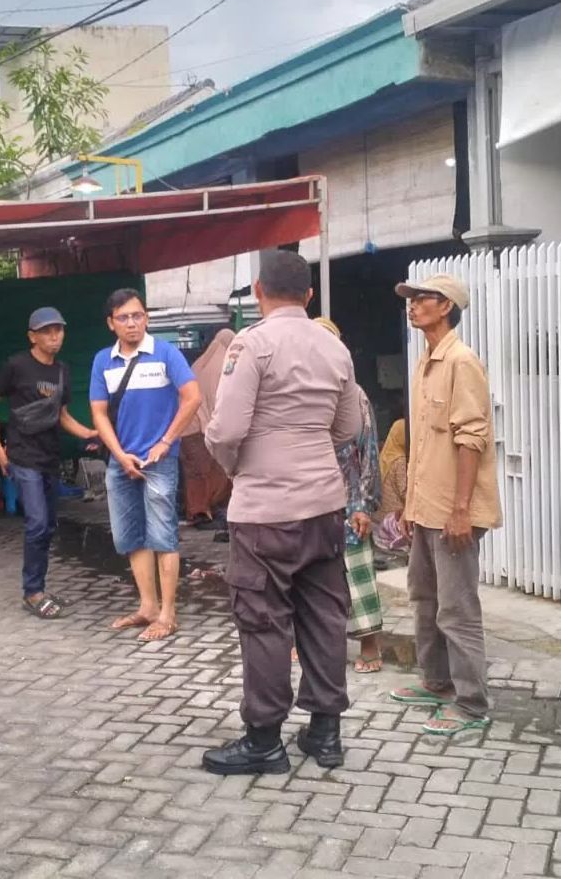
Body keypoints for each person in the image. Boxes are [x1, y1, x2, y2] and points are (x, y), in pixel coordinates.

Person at [201, 251, 363, 775]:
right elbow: (349, 428)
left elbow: (225, 431)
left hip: (265, 509)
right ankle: (325, 733)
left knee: (265, 620)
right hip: (324, 505)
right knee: (324, 616)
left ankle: (264, 741)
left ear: (257, 291)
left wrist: (237, 470)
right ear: (309, 295)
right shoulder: (334, 347)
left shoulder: (252, 344)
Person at [389, 274, 503, 736]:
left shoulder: (461, 362)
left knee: (457, 608)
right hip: (426, 507)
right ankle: (436, 683)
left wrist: (460, 509)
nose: (412, 306)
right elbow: (425, 445)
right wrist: (411, 507)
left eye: (421, 299)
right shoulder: (426, 364)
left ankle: (472, 703)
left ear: (446, 306)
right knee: (424, 597)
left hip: (453, 511)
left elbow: (471, 438)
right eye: (411, 300)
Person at [90, 289, 202, 643]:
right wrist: (119, 454)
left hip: (159, 461)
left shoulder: (166, 353)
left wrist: (166, 442)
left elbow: (192, 397)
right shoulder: (102, 361)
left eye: (138, 315)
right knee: (131, 536)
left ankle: (168, 614)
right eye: (123, 318)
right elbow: (98, 412)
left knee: (163, 535)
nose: (132, 323)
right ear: (111, 324)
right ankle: (147, 607)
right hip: (121, 462)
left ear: (147, 318)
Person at [0, 307, 99, 620]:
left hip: (50, 456)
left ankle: (40, 589)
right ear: (32, 336)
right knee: (36, 522)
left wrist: (90, 432)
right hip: (22, 456)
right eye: (46, 331)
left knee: (47, 526)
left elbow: (61, 416)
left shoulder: (62, 370)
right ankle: (32, 592)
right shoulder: (16, 366)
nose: (54, 336)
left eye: (58, 330)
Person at [313, 317, 386, 674]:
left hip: (350, 496)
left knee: (357, 572)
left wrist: (366, 505)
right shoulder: (300, 392)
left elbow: (368, 450)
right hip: (308, 498)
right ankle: (313, 642)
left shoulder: (355, 395)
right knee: (311, 575)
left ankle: (370, 645)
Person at [178, 329, 235, 532]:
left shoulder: (199, 364)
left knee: (196, 472)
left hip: (186, 427)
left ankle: (199, 511)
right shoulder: (224, 366)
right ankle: (201, 513)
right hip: (200, 428)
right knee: (207, 472)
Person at [373, 420, 411, 557]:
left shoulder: (384, 457)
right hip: (394, 525)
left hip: (380, 523)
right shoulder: (399, 461)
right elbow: (408, 495)